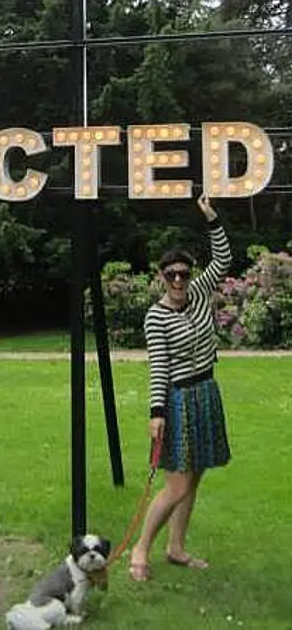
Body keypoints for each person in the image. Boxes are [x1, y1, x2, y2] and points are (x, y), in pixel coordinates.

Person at [129, 194, 232, 583]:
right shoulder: (155, 316)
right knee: (176, 485)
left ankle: (176, 548)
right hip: (178, 399)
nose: (177, 280)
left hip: (206, 392)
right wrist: (157, 413)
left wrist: (211, 218)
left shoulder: (200, 293)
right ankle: (140, 550)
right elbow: (159, 366)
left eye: (183, 274)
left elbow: (223, 259)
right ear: (161, 276)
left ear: (191, 276)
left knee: (196, 476)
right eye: (170, 274)